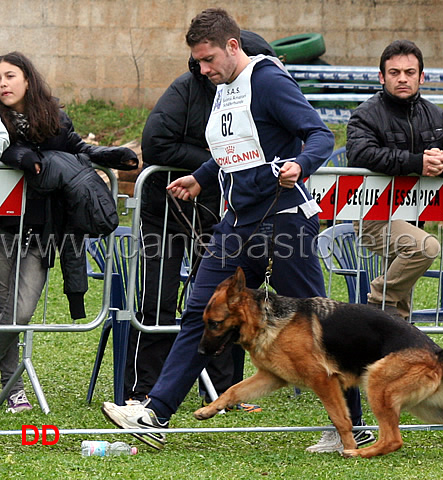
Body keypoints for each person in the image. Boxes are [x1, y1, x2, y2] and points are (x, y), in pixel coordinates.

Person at [101, 8, 373, 453]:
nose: (202, 69)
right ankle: (155, 414)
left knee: (316, 324)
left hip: (286, 219)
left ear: (232, 46)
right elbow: (235, 148)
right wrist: (202, 177)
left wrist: (300, 165)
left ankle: (352, 424)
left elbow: (320, 134)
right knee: (200, 311)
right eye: (198, 61)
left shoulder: (268, 80)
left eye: (208, 59)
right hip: (238, 222)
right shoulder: (223, 88)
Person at [125, 30, 276, 410]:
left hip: (221, 214)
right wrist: (219, 158)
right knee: (158, 302)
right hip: (167, 211)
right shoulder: (186, 88)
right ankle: (143, 389)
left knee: (223, 305)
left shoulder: (252, 93)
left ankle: (225, 392)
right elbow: (156, 143)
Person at [0, 52, 138, 412]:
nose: (3, 83)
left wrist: (107, 154)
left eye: (10, 75)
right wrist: (18, 155)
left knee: (20, 313)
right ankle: (13, 388)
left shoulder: (54, 118)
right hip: (1, 230)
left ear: (27, 79)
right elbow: (8, 151)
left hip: (39, 234)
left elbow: (76, 148)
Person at [346, 40, 443, 320]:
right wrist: (417, 162)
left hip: (414, 214)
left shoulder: (434, 114)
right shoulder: (365, 114)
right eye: (394, 72)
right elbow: (360, 153)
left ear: (421, 76)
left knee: (401, 313)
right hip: (373, 215)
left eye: (410, 72)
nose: (402, 78)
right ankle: (376, 303)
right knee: (425, 247)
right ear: (382, 77)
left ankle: (388, 341)